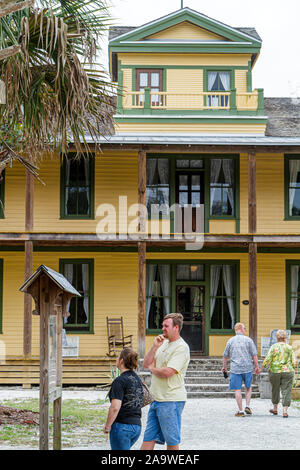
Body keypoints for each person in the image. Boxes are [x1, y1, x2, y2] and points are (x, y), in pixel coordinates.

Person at [141, 313, 190, 451]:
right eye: (162, 325)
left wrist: (153, 369)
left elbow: (168, 372)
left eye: (166, 326)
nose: (163, 328)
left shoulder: (181, 347)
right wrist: (154, 347)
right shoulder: (163, 344)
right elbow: (145, 364)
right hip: (156, 399)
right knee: (148, 439)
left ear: (176, 327)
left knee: (171, 442)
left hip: (171, 400)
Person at [104, 347, 144, 450]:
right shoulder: (138, 379)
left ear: (121, 361)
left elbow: (115, 407)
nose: (116, 359)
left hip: (122, 426)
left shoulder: (119, 381)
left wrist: (108, 426)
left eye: (118, 357)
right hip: (137, 427)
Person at [222, 322, 260, 417]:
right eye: (244, 328)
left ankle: (241, 411)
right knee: (248, 387)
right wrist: (256, 366)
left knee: (237, 389)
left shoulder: (230, 341)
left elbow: (225, 356)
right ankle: (247, 406)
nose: (245, 330)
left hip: (235, 369)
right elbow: (254, 355)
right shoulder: (249, 340)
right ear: (242, 329)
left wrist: (224, 368)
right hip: (247, 368)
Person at [260, 329, 296, 418]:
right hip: (287, 371)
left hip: (275, 371)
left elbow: (268, 359)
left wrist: (262, 367)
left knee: (275, 389)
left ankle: (275, 409)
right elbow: (294, 361)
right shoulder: (289, 347)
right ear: (285, 338)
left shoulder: (274, 347)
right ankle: (285, 411)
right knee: (286, 390)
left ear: (277, 338)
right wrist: (292, 368)